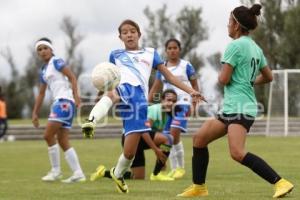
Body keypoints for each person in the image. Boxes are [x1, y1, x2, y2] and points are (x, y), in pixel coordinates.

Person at [177, 4, 294, 198]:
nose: (227, 26)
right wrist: (248, 81)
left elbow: (223, 79)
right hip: (234, 107)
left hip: (240, 107)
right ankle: (199, 187)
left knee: (237, 153)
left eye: (229, 22)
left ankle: (280, 182)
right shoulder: (255, 48)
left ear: (237, 25)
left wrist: (229, 78)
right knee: (199, 139)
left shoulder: (234, 46)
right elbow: (268, 77)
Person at [82, 19, 204, 194]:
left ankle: (117, 173)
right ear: (120, 37)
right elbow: (109, 79)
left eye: (132, 31)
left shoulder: (151, 53)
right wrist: (99, 95)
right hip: (125, 91)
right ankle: (91, 121)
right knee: (115, 93)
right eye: (125, 32)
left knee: (129, 153)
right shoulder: (115, 55)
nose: (129, 34)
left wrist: (191, 91)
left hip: (140, 103)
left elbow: (169, 77)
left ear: (139, 34)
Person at [90, 89, 178, 181]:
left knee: (138, 177)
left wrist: (161, 156)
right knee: (169, 139)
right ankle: (157, 173)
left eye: (174, 101)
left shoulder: (168, 114)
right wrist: (155, 150)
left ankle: (103, 172)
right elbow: (143, 131)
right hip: (131, 137)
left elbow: (158, 135)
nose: (171, 103)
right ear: (162, 100)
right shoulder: (155, 110)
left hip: (141, 140)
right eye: (168, 100)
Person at [32, 37, 86, 183]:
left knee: (48, 135)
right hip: (61, 103)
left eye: (45, 48)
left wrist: (77, 96)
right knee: (62, 140)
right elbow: (42, 93)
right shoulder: (44, 70)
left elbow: (72, 77)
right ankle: (78, 173)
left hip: (64, 102)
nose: (43, 51)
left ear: (51, 49)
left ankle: (56, 171)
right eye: (39, 49)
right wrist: (35, 112)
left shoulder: (57, 61)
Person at [148, 38, 200, 179]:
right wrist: (146, 102)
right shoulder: (162, 67)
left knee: (174, 132)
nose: (172, 50)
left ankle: (180, 168)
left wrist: (195, 103)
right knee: (168, 137)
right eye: (169, 48)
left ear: (179, 49)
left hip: (183, 104)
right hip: (167, 107)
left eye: (175, 48)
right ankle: (174, 169)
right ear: (166, 51)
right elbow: (157, 86)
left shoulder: (186, 65)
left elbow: (195, 85)